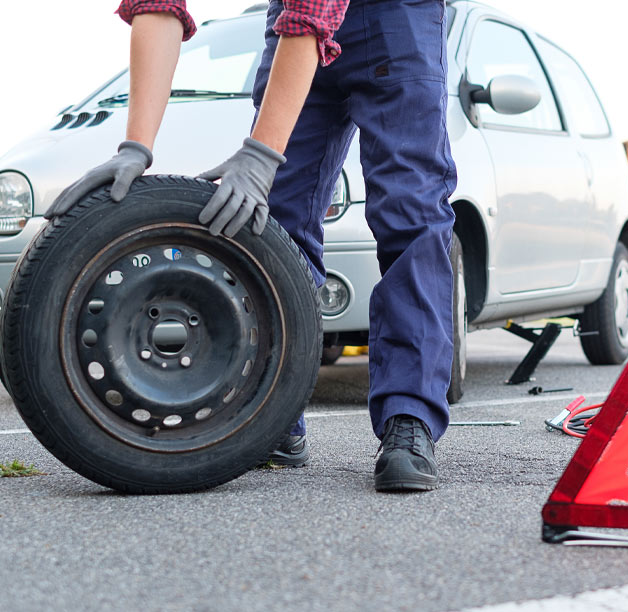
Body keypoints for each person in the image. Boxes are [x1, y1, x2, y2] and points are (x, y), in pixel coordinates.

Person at [46, 0, 458, 492]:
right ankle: (273, 413)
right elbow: (158, 7)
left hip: (395, 21)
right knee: (273, 220)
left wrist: (261, 155)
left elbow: (315, 12)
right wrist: (136, 146)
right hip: (292, 25)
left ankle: (408, 419)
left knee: (408, 215)